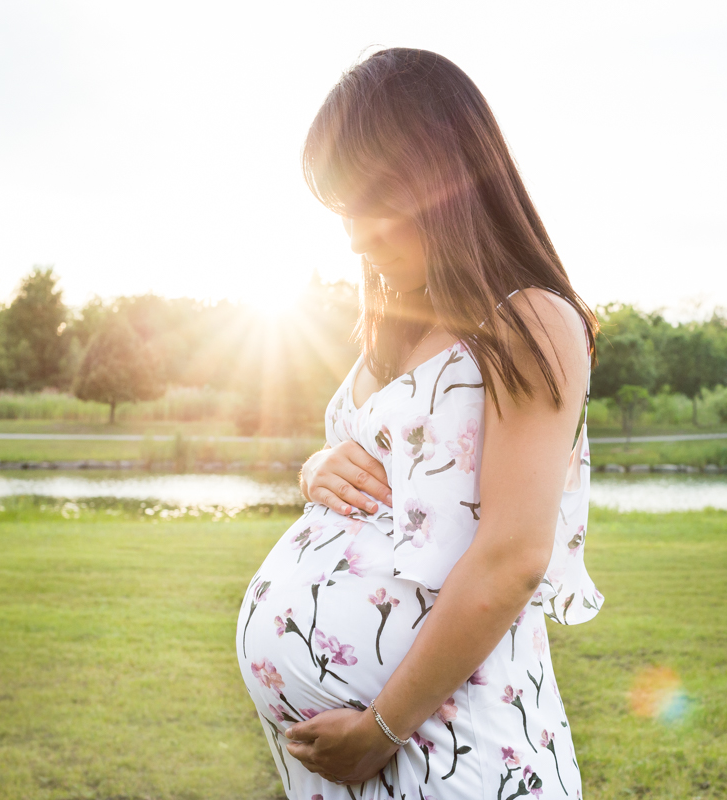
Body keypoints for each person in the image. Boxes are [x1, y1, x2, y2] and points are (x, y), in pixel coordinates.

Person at [236, 48, 603, 798]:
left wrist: (380, 731)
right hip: (358, 758)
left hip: (455, 745)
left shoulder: (531, 321)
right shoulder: (396, 322)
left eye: (370, 204)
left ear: (446, 181)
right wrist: (315, 468)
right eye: (341, 211)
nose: (353, 237)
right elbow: (373, 457)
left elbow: (512, 557)